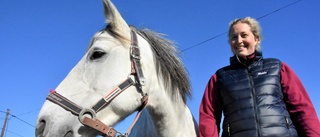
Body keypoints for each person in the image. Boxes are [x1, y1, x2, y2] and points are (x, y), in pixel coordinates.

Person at [199, 17, 320, 137]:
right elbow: (208, 116)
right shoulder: (219, 77)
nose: (239, 40)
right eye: (234, 37)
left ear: (256, 39)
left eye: (244, 35)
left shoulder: (277, 67)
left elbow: (302, 109)